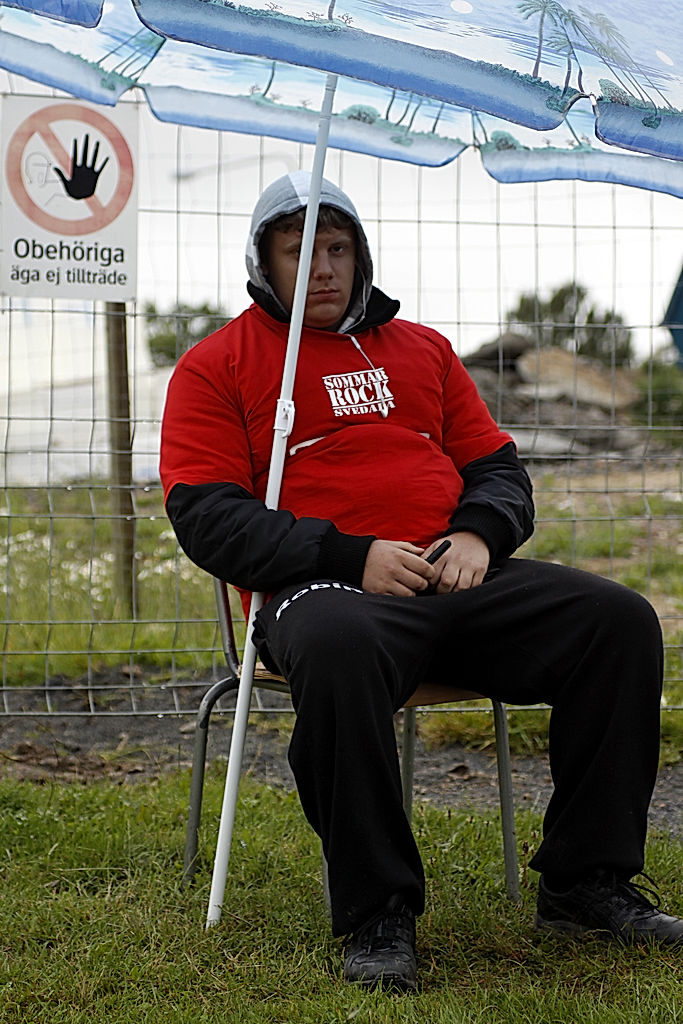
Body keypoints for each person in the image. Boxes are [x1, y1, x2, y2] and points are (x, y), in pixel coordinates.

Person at [160, 170, 682, 990]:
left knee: (616, 621)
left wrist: (478, 532)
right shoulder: (215, 365)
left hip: (456, 578)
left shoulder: (423, 351)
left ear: (361, 253)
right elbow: (207, 517)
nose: (324, 268)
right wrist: (347, 555)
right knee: (335, 645)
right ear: (265, 262)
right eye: (302, 251)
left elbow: (497, 469)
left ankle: (585, 883)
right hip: (328, 595)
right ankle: (378, 915)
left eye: (339, 248)